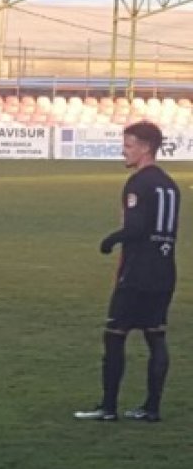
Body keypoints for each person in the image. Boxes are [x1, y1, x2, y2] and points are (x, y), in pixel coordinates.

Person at [76, 122, 179, 423]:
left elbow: (135, 228)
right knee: (156, 337)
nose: (124, 149)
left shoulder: (138, 183)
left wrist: (110, 240)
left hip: (137, 273)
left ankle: (108, 408)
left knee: (115, 336)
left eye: (130, 144)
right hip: (165, 271)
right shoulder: (171, 185)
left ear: (146, 147)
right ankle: (151, 408)